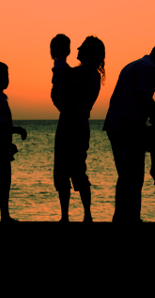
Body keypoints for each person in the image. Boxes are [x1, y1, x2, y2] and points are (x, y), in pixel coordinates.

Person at [103, 43, 155, 223]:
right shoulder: (149, 68)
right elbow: (144, 99)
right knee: (135, 176)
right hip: (128, 127)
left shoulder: (135, 65)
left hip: (116, 125)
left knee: (126, 176)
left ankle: (121, 216)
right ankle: (132, 217)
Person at [52, 35, 105, 223]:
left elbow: (62, 77)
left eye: (81, 48)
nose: (77, 50)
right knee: (65, 172)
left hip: (74, 126)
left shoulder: (89, 74)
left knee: (75, 171)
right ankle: (71, 215)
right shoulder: (83, 73)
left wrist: (59, 56)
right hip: (71, 124)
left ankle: (84, 215)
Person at [0, 62, 27, 223]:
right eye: (4, 75)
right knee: (1, 182)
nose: (7, 78)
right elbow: (0, 126)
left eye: (7, 75)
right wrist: (18, 130)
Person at [50, 33, 71, 113]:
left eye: (67, 45)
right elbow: (66, 71)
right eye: (62, 46)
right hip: (58, 92)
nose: (65, 48)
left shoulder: (61, 62)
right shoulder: (59, 62)